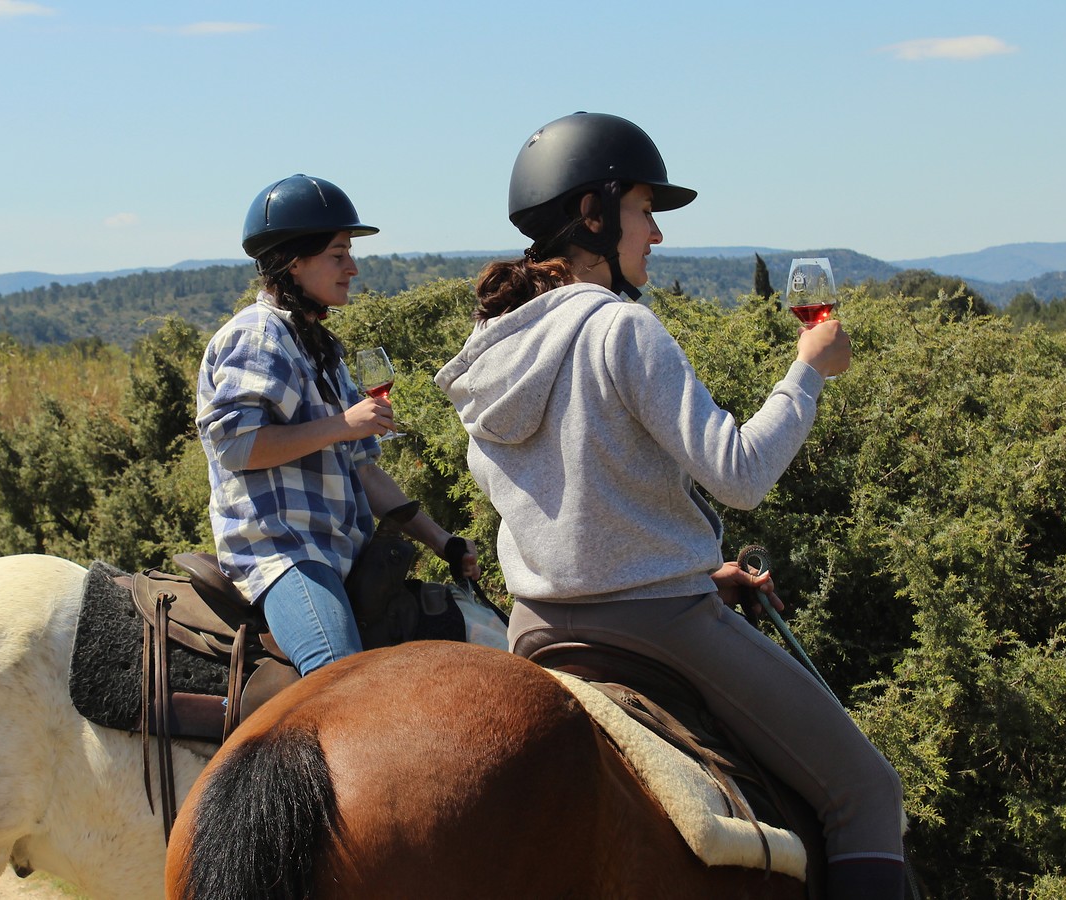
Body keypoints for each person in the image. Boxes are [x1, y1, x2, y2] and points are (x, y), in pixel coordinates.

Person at [435, 113, 905, 899]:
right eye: (644, 211)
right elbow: (739, 475)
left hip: (536, 627)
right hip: (661, 624)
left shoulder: (491, 348)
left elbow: (536, 498)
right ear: (594, 212)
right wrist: (810, 372)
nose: (654, 234)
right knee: (868, 792)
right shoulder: (624, 326)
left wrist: (669, 555)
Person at [197, 173, 479, 676]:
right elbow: (237, 447)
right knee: (343, 679)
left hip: (341, 553)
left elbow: (365, 473)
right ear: (293, 263)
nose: (353, 266)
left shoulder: (321, 348)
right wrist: (342, 424)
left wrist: (444, 542)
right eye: (337, 254)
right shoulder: (258, 337)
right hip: (286, 555)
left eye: (349, 251)